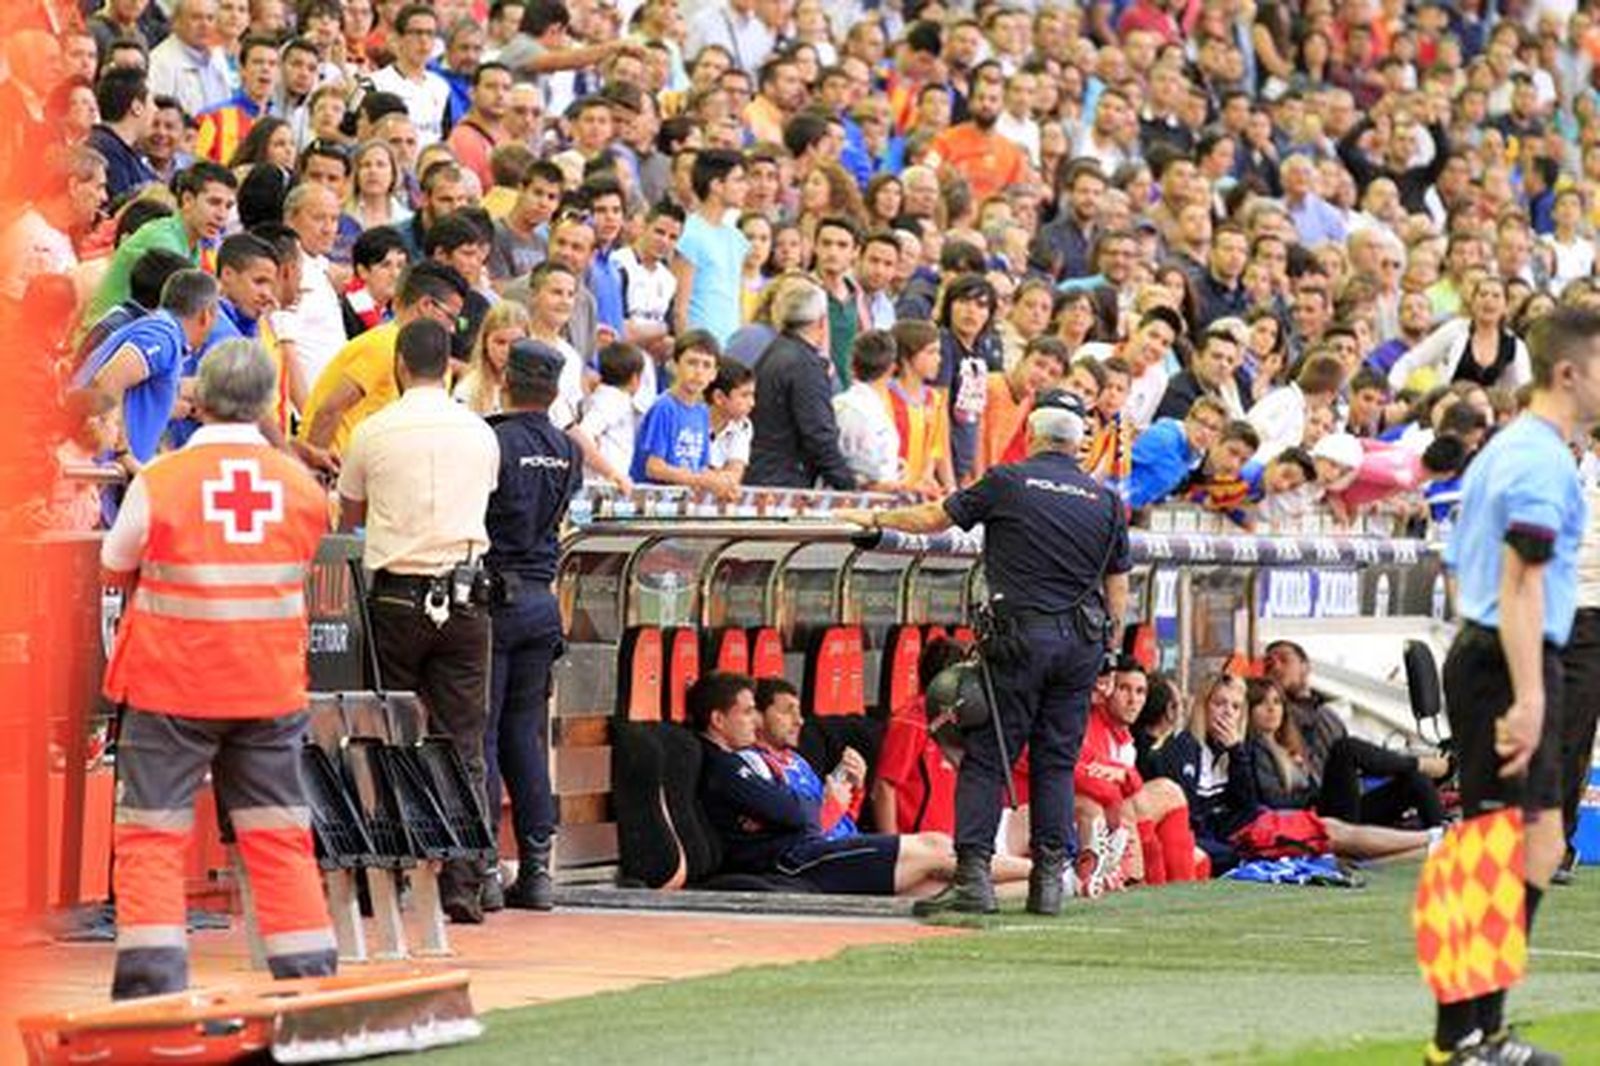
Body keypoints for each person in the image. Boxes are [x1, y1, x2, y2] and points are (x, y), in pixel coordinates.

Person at [100, 339, 335, 998]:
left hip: (171, 685)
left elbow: (115, 561)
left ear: (197, 400)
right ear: (266, 404)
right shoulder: (300, 487)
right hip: (268, 687)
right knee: (279, 833)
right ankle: (309, 978)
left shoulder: (163, 480)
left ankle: (151, 986)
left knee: (152, 832)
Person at [839, 388, 1132, 917]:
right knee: (1056, 763)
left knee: (988, 758)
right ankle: (1047, 882)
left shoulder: (1009, 481)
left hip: (1020, 640)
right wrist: (1107, 649)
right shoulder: (1106, 500)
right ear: (1076, 445)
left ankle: (973, 876)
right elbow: (1118, 590)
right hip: (1082, 644)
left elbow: (935, 517)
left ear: (1034, 436)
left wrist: (875, 522)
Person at [1425, 307, 1600, 1065]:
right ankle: (1460, 1039)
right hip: (1508, 656)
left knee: (1535, 843)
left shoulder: (1531, 448)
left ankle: (1477, 1031)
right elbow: (1519, 581)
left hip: (1506, 651)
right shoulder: (1536, 458)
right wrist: (1530, 696)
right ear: (1570, 372)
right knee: (1498, 849)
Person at [337, 318, 501, 924]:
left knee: (378, 737)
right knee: (462, 742)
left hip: (396, 601)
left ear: (401, 366)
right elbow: (484, 493)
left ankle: (374, 880)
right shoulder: (480, 433)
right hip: (463, 598)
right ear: (451, 366)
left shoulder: (375, 431)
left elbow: (349, 511)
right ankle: (464, 884)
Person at [691, 672, 955, 896]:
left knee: (935, 876)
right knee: (936, 849)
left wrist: (853, 792)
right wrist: (823, 806)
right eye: (749, 712)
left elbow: (815, 814)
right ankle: (985, 877)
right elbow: (801, 817)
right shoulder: (737, 763)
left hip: (833, 843)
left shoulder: (795, 761)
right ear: (718, 720)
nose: (799, 720)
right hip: (804, 856)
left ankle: (988, 888)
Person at [483, 339, 585, 911]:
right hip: (542, 601)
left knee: (486, 734)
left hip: (495, 597)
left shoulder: (493, 439)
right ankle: (538, 871)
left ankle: (481, 868)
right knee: (525, 738)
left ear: (506, 380)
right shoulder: (567, 449)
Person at [300, 262, 471, 457]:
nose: (452, 329)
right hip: (342, 470)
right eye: (451, 317)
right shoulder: (384, 345)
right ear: (426, 305)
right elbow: (329, 411)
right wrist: (314, 472)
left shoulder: (430, 358)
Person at [73, 269, 220, 465]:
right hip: (100, 469)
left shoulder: (162, 332)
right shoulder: (163, 336)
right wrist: (122, 452)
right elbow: (108, 379)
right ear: (206, 315)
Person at [746, 278, 858, 490]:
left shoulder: (773, 352)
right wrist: (848, 485)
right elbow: (818, 433)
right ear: (822, 322)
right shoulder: (805, 365)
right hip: (782, 481)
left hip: (763, 472)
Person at [753, 678, 863, 841]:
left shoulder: (797, 760)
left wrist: (854, 788)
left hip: (850, 844)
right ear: (758, 717)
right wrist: (834, 807)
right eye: (787, 711)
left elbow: (842, 823)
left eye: (798, 712)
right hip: (826, 858)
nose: (799, 721)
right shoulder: (758, 767)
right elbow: (799, 842)